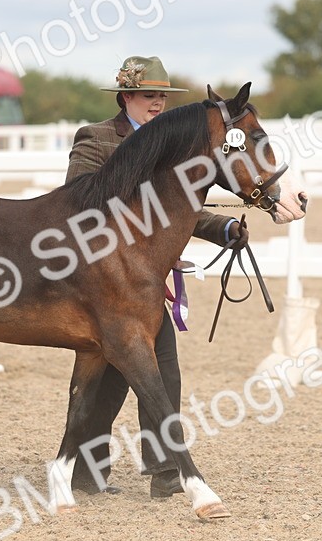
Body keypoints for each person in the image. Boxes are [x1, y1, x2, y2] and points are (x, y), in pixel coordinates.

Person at [64, 55, 248, 499]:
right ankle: (112, 470)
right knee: (111, 379)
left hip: (142, 279)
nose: (158, 104)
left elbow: (177, 207)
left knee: (155, 370)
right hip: (103, 277)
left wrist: (221, 228)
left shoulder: (175, 143)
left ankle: (153, 468)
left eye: (163, 96)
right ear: (126, 96)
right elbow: (79, 203)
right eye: (150, 96)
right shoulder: (97, 138)